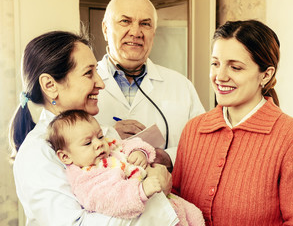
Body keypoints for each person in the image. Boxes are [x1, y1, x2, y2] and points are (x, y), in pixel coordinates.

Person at [9, 30, 177, 226]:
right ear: (50, 85)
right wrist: (154, 193)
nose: (100, 83)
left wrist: (151, 173)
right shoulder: (37, 154)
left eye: (97, 71)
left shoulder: (105, 133)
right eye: (89, 73)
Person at [172, 20, 293, 225]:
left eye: (235, 67)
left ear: (266, 75)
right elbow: (174, 206)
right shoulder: (194, 130)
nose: (220, 76)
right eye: (215, 63)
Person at [95, 0, 205, 171]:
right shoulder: (81, 83)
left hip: (166, 194)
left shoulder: (180, 85)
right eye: (125, 21)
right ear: (106, 29)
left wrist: (169, 157)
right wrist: (109, 135)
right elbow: (58, 143)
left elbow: (204, 143)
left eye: (145, 24)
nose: (136, 32)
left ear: (153, 33)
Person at [47, 109, 205, 225]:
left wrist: (140, 152)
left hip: (170, 202)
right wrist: (140, 191)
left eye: (100, 136)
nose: (98, 144)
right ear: (65, 156)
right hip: (148, 209)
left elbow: (129, 143)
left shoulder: (109, 148)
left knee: (195, 215)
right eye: (88, 143)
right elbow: (110, 200)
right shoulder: (86, 180)